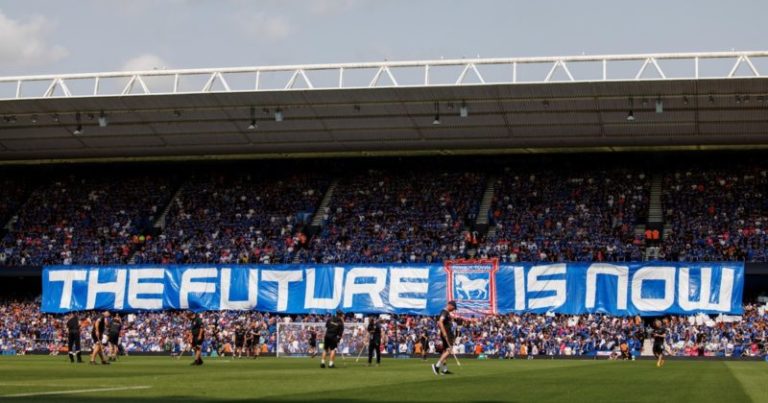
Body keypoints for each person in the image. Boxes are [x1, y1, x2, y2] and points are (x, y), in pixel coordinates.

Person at [432, 300, 457, 375]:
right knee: (449, 350)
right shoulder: (444, 312)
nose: (454, 309)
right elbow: (440, 322)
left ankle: (444, 369)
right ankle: (437, 366)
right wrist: (444, 333)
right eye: (453, 308)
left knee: (445, 351)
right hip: (447, 334)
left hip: (448, 333)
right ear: (450, 305)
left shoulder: (447, 313)